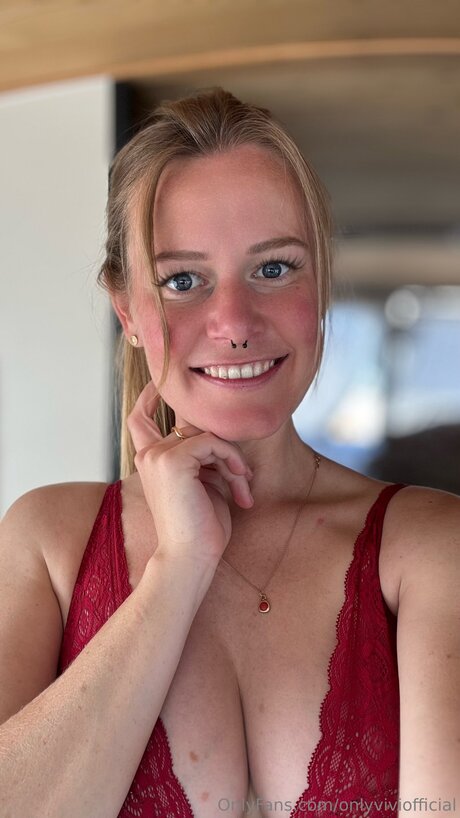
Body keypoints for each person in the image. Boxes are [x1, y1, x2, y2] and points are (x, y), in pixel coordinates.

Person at [0, 88, 458, 818]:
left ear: (320, 281)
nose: (236, 323)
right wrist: (177, 571)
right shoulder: (46, 542)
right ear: (127, 311)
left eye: (273, 269)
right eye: (183, 281)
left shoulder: (431, 547)